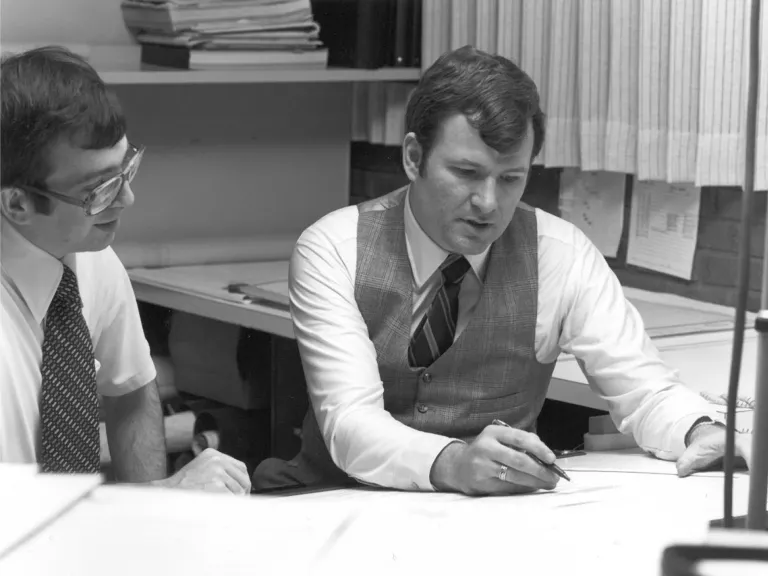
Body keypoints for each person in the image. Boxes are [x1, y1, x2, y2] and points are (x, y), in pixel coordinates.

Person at [252, 45, 752, 495]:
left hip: (494, 523)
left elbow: (643, 389)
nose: (488, 203)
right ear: (412, 158)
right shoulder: (334, 249)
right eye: (466, 173)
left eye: (511, 179)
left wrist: (701, 431)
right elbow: (351, 423)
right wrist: (454, 463)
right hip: (330, 505)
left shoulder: (560, 253)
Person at [0, 46, 251, 495]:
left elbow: (131, 390)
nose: (126, 201)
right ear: (17, 203)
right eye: (97, 191)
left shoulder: (90, 253)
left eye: (126, 170)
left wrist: (150, 516)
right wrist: (159, 501)